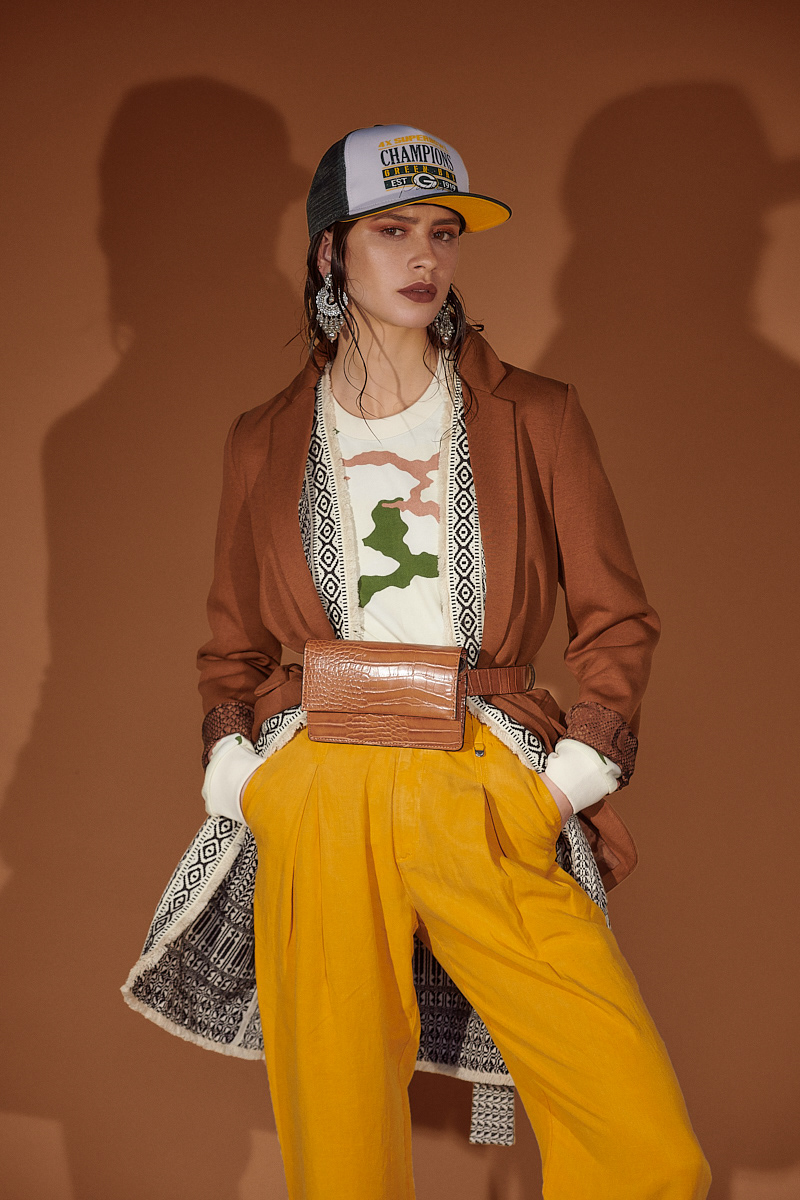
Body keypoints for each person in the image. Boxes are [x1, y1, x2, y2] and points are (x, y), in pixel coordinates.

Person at [125, 124, 711, 1199]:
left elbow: (617, 618)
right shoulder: (261, 438)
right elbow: (232, 644)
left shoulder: (535, 415)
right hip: (317, 791)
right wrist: (242, 778)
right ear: (329, 252)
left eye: (443, 232)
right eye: (392, 231)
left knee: (644, 1147)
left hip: (481, 785)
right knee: (339, 1154)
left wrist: (564, 783)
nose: (424, 256)